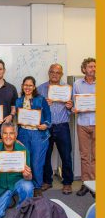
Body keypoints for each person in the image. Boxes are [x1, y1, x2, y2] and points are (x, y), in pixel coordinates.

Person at [37, 63, 74, 194]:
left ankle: (68, 183)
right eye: (52, 71)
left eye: (57, 72)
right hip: (46, 127)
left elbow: (73, 108)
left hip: (62, 126)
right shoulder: (40, 89)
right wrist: (43, 105)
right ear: (48, 72)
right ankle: (47, 181)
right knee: (45, 155)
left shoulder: (68, 89)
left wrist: (70, 106)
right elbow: (35, 108)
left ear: (61, 74)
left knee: (66, 155)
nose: (54, 74)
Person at [0, 122, 34, 218]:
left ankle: (22, 210)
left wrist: (27, 175)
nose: (8, 136)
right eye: (5, 133)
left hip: (18, 183)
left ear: (16, 135)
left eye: (11, 133)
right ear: (1, 135)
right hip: (2, 186)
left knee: (28, 186)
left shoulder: (23, 150)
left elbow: (29, 177)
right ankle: (7, 200)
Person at [14, 76, 51, 195]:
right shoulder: (19, 101)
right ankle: (25, 186)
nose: (28, 87)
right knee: (24, 161)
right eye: (25, 85)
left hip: (38, 134)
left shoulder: (40, 100)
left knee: (36, 162)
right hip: (23, 134)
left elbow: (48, 116)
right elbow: (17, 119)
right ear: (22, 86)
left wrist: (45, 125)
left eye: (30, 85)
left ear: (34, 87)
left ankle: (37, 187)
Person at [73, 57, 96, 196]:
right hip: (82, 123)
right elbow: (73, 103)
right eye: (90, 67)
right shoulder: (77, 84)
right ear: (84, 69)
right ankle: (85, 183)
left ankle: (94, 184)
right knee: (84, 156)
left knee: (96, 156)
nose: (93, 69)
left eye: (95, 66)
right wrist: (74, 108)